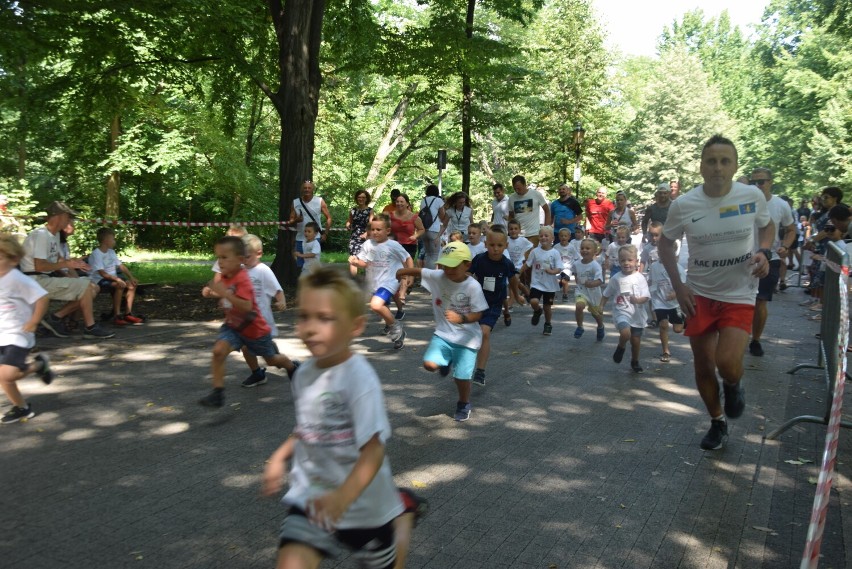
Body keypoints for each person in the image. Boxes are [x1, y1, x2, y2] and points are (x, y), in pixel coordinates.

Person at [261, 266, 406, 569]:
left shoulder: (359, 379)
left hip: (363, 505)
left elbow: (374, 450)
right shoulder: (304, 373)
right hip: (311, 498)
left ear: (355, 327)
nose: (310, 328)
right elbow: (308, 426)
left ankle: (402, 518)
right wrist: (279, 457)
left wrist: (344, 497)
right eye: (304, 316)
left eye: (324, 318)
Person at [658, 135, 774, 451]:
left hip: (740, 291)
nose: (718, 168)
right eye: (712, 161)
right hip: (700, 294)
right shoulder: (684, 204)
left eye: (725, 161)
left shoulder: (751, 196)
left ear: (735, 166)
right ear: (701, 167)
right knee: (703, 365)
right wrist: (679, 286)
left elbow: (767, 226)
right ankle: (717, 422)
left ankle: (734, 384)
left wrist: (764, 251)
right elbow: (665, 244)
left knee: (727, 362)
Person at [198, 236, 300, 408]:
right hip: (234, 326)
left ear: (239, 260)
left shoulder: (243, 278)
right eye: (218, 257)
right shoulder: (226, 276)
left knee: (272, 360)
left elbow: (245, 306)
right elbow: (223, 292)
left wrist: (224, 293)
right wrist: (210, 292)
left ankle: (292, 367)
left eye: (224, 257)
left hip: (255, 330)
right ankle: (218, 393)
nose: (220, 262)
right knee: (218, 351)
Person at [397, 242, 488, 422]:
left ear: (467, 265)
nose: (449, 269)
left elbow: (479, 313)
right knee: (429, 365)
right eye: (445, 265)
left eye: (454, 265)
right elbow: (420, 271)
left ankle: (463, 402)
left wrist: (461, 318)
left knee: (461, 377)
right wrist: (401, 272)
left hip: (467, 339)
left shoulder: (472, 286)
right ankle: (446, 362)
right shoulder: (439, 276)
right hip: (444, 334)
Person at [20, 201, 114, 339]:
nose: (70, 221)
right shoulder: (41, 235)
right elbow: (40, 266)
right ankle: (89, 327)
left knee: (94, 288)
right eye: (68, 217)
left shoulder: (55, 235)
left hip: (44, 279)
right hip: (34, 281)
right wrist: (68, 265)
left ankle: (56, 318)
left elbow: (57, 259)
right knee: (87, 286)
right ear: (59, 216)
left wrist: (74, 263)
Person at [0, 234, 54, 424]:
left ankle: (22, 408)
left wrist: (34, 322)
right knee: (6, 376)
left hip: (19, 335)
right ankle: (39, 366)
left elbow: (42, 298)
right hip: (1, 335)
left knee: (6, 375)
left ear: (14, 259)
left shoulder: (17, 279)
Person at [747, 168, 796, 357]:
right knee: (740, 301)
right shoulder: (744, 202)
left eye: (761, 182)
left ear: (770, 182)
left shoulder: (781, 205)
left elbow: (790, 229)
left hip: (770, 259)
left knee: (760, 301)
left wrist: (785, 245)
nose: (758, 186)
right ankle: (737, 336)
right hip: (743, 259)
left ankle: (755, 340)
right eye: (754, 182)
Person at [467, 226, 524, 386]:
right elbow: (468, 274)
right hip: (476, 303)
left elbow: (513, 280)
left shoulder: (506, 264)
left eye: (499, 245)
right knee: (469, 335)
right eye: (492, 245)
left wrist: (517, 295)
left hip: (494, 304)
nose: (495, 249)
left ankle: (480, 371)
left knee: (484, 333)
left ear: (505, 245)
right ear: (486, 244)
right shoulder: (479, 259)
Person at [349, 216, 412, 348]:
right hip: (374, 282)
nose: (375, 232)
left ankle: (396, 327)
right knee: (383, 307)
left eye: (379, 229)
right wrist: (355, 262)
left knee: (376, 305)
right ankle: (393, 330)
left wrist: (410, 273)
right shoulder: (367, 244)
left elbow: (407, 258)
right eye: (373, 229)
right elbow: (364, 263)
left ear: (388, 231)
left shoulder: (393, 245)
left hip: (390, 281)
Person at [599, 244, 651, 373]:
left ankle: (635, 361)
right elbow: (606, 294)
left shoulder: (640, 278)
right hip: (621, 311)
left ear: (636, 262)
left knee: (635, 341)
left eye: (630, 260)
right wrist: (601, 306)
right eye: (623, 260)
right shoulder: (616, 278)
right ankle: (621, 347)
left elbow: (646, 296)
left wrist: (638, 300)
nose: (626, 263)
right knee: (626, 333)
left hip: (637, 314)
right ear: (618, 261)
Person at [89, 227, 144, 325]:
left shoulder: (111, 252)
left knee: (131, 285)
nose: (114, 241)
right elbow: (102, 273)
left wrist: (131, 277)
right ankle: (117, 315)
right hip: (100, 280)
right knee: (120, 285)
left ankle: (128, 314)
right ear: (106, 240)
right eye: (113, 239)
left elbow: (121, 266)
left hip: (113, 279)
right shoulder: (96, 254)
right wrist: (118, 279)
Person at [648, 243, 685, 363]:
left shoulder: (677, 267)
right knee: (663, 325)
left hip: (675, 303)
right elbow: (652, 282)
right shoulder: (654, 266)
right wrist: (648, 293)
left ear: (673, 253)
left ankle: (685, 319)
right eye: (661, 251)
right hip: (659, 301)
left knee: (678, 329)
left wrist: (675, 293)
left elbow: (683, 284)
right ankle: (665, 351)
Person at [525, 226, 562, 336]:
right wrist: (518, 274)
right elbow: (527, 264)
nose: (543, 238)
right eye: (541, 236)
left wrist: (552, 271)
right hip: (536, 283)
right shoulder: (535, 251)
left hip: (550, 285)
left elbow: (559, 268)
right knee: (533, 301)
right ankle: (537, 310)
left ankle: (548, 324)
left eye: (546, 235)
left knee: (547, 307)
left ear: (552, 238)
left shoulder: (555, 253)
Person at [389, 193, 424, 302]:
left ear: (407, 203)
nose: (399, 203)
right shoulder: (389, 215)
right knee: (394, 268)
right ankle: (393, 289)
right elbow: (381, 225)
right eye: (397, 201)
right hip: (393, 245)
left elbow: (422, 229)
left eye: (401, 202)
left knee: (405, 269)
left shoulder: (414, 217)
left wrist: (415, 236)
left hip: (409, 245)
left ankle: (402, 293)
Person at [288, 181, 332, 268]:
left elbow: (329, 218)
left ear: (313, 189)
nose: (307, 190)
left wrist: (325, 234)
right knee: (300, 264)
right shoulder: (295, 202)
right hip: (300, 238)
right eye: (305, 188)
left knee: (313, 263)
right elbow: (291, 221)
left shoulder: (319, 201)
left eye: (309, 188)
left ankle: (314, 281)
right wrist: (297, 220)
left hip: (315, 238)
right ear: (301, 190)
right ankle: (303, 280)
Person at [573, 238, 606, 340]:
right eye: (582, 248)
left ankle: (600, 326)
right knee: (579, 306)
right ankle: (580, 326)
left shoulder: (595, 266)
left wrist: (592, 284)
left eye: (588, 248)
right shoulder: (576, 264)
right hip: (581, 290)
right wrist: (579, 281)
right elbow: (576, 275)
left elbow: (600, 280)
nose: (584, 250)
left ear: (594, 251)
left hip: (593, 293)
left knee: (596, 314)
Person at [507, 175, 550, 245]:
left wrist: (546, 228)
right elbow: (511, 217)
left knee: (530, 254)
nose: (517, 191)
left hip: (534, 233)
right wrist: (510, 231)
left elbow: (547, 210)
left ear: (525, 185)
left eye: (519, 188)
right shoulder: (512, 198)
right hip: (518, 235)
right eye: (515, 189)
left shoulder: (535, 194)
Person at [506, 219, 533, 314]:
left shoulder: (523, 241)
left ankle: (510, 304)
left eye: (515, 229)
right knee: (515, 282)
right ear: (508, 230)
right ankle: (527, 292)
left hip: (517, 265)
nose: (513, 231)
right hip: (508, 265)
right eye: (511, 229)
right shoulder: (506, 239)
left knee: (512, 284)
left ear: (519, 230)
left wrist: (525, 256)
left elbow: (531, 246)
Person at [419, 185, 448, 269]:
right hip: (434, 231)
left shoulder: (423, 200)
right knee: (434, 255)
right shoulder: (438, 200)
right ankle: (430, 276)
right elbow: (442, 216)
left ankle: (426, 276)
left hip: (424, 230)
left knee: (428, 254)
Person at [345, 189, 373, 276]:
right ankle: (354, 280)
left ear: (366, 199)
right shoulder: (353, 210)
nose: (361, 199)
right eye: (359, 197)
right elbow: (350, 220)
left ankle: (368, 280)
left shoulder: (370, 211)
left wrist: (366, 233)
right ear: (357, 198)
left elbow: (371, 224)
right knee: (353, 258)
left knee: (367, 259)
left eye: (363, 197)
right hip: (354, 237)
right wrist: (347, 224)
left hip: (366, 237)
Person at [553, 228, 574, 301]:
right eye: (561, 236)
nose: (563, 237)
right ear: (558, 237)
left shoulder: (571, 247)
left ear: (569, 237)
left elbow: (577, 256)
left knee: (565, 281)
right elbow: (553, 256)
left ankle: (565, 295)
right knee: (556, 281)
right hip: (558, 267)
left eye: (565, 236)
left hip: (567, 268)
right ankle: (553, 294)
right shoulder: (556, 247)